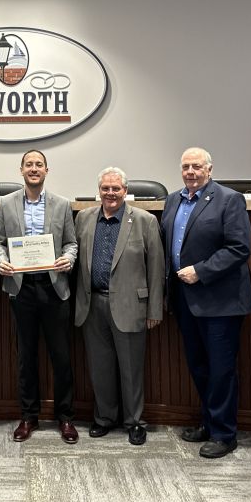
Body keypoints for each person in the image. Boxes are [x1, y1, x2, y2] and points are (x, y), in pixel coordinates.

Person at [161, 147, 251, 459]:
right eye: (185, 166)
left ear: (209, 169)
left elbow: (239, 247)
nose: (190, 171)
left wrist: (201, 271)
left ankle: (225, 434)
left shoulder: (229, 199)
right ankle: (209, 421)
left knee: (221, 369)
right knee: (199, 365)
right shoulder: (173, 199)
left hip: (220, 301)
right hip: (185, 300)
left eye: (196, 166)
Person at [0, 149, 79, 444]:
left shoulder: (62, 204)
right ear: (21, 170)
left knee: (62, 356)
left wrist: (68, 258)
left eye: (38, 165)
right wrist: (0, 261)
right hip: (21, 288)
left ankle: (65, 418)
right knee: (25, 357)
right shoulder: (5, 203)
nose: (33, 169)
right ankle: (28, 417)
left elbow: (71, 243)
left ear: (46, 170)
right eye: (29, 164)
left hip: (54, 288)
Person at [74, 166, 164, 446]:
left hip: (130, 306)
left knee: (131, 368)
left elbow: (156, 267)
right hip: (92, 304)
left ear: (125, 191)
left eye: (116, 189)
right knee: (100, 367)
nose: (110, 193)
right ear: (98, 191)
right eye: (105, 189)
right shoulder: (84, 218)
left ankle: (134, 421)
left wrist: (154, 310)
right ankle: (104, 418)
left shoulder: (144, 221)